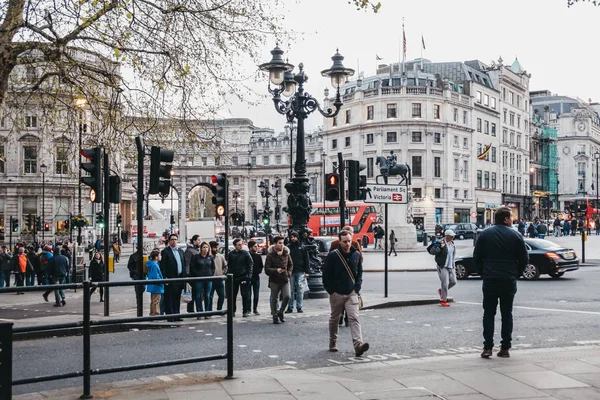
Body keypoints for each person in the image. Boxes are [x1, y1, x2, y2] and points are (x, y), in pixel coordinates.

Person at [474, 206, 528, 359]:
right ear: (505, 219)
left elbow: (477, 256)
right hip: (508, 279)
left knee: (489, 313)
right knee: (507, 313)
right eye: (511, 217)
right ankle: (505, 348)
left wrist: (483, 273)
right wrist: (515, 274)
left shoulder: (485, 234)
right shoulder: (516, 235)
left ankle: (487, 347)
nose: (512, 220)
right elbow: (524, 259)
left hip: (490, 278)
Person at [322, 230, 369, 356]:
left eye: (349, 241)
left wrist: (356, 288)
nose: (347, 244)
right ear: (339, 241)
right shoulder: (333, 255)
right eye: (344, 241)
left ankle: (358, 345)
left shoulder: (356, 255)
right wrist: (331, 291)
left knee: (354, 318)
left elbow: (359, 273)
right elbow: (326, 275)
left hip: (351, 293)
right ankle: (333, 342)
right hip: (336, 293)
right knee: (335, 319)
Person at [264, 236, 293, 324]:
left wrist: (288, 273)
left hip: (284, 279)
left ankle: (281, 312)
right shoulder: (270, 255)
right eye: (280, 243)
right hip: (274, 279)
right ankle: (274, 315)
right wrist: (276, 270)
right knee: (274, 298)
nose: (282, 245)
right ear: (275, 244)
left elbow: (291, 265)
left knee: (287, 296)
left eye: (283, 243)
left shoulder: (286, 253)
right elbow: (267, 269)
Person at [427, 230, 457, 307]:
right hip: (443, 266)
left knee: (453, 281)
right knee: (445, 283)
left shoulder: (453, 244)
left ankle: (441, 291)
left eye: (453, 236)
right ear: (447, 236)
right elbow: (432, 252)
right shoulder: (441, 243)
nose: (452, 237)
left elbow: (453, 255)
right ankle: (443, 300)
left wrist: (453, 265)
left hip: (451, 266)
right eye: (451, 236)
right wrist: (439, 247)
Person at [160, 234, 186, 321]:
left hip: (179, 278)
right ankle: (170, 316)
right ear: (169, 241)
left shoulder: (181, 251)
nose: (174, 241)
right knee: (169, 298)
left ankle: (176, 314)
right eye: (172, 239)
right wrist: (164, 278)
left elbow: (184, 264)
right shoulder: (165, 252)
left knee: (177, 297)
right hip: (170, 278)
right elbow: (163, 266)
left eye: (175, 239)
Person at [227, 238, 253, 317]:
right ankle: (232, 311)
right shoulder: (231, 254)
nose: (241, 246)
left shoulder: (246, 253)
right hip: (234, 277)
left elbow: (250, 265)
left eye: (241, 244)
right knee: (233, 295)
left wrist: (249, 276)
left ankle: (245, 311)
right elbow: (229, 266)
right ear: (235, 246)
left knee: (244, 295)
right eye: (239, 245)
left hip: (244, 276)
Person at [189, 242, 215, 319]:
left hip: (208, 279)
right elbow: (192, 267)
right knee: (198, 295)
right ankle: (199, 312)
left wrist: (211, 274)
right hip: (199, 279)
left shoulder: (210, 257)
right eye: (204, 247)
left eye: (207, 247)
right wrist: (197, 274)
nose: (205, 249)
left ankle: (207, 312)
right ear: (201, 248)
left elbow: (213, 267)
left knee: (207, 295)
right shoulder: (196, 257)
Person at [286, 231, 309, 314]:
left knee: (300, 290)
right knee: (290, 290)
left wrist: (307, 271)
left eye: (294, 237)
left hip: (300, 271)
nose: (293, 238)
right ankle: (290, 307)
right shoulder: (288, 247)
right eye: (291, 237)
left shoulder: (302, 247)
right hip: (291, 271)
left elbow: (306, 260)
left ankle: (299, 307)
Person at [183, 235, 200, 313]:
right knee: (192, 293)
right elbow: (187, 263)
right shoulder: (189, 251)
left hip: (196, 274)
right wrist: (187, 274)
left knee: (196, 293)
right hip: (191, 275)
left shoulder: (196, 250)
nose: (199, 241)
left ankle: (193, 309)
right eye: (198, 240)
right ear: (194, 241)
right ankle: (190, 309)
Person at [209, 241, 228, 311]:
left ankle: (219, 309)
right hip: (211, 280)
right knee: (209, 296)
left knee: (222, 296)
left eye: (217, 247)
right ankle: (209, 310)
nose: (216, 249)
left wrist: (222, 273)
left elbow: (225, 266)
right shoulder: (208, 257)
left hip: (219, 279)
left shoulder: (220, 256)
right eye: (214, 247)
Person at [248, 240, 264, 315]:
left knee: (256, 294)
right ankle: (248, 309)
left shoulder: (258, 256)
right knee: (248, 294)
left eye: (256, 246)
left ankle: (255, 309)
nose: (256, 247)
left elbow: (261, 265)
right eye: (255, 246)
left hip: (256, 277)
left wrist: (258, 271)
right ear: (250, 247)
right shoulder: (247, 255)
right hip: (248, 277)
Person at [146, 250, 164, 316]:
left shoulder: (151, 264)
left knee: (153, 300)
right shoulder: (155, 265)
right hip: (156, 286)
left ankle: (152, 313)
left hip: (152, 285)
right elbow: (156, 276)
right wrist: (162, 282)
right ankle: (156, 314)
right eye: (159, 255)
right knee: (156, 301)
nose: (161, 256)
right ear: (156, 257)